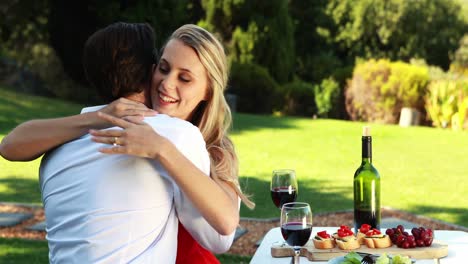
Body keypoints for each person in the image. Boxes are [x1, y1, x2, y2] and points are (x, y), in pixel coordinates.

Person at [0, 23, 254, 263]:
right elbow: (9, 145)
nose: (167, 84)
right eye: (163, 69)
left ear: (209, 90)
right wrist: (101, 118)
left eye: (184, 79)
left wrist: (161, 148)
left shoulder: (210, 149)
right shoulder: (175, 134)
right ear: (150, 70)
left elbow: (221, 235)